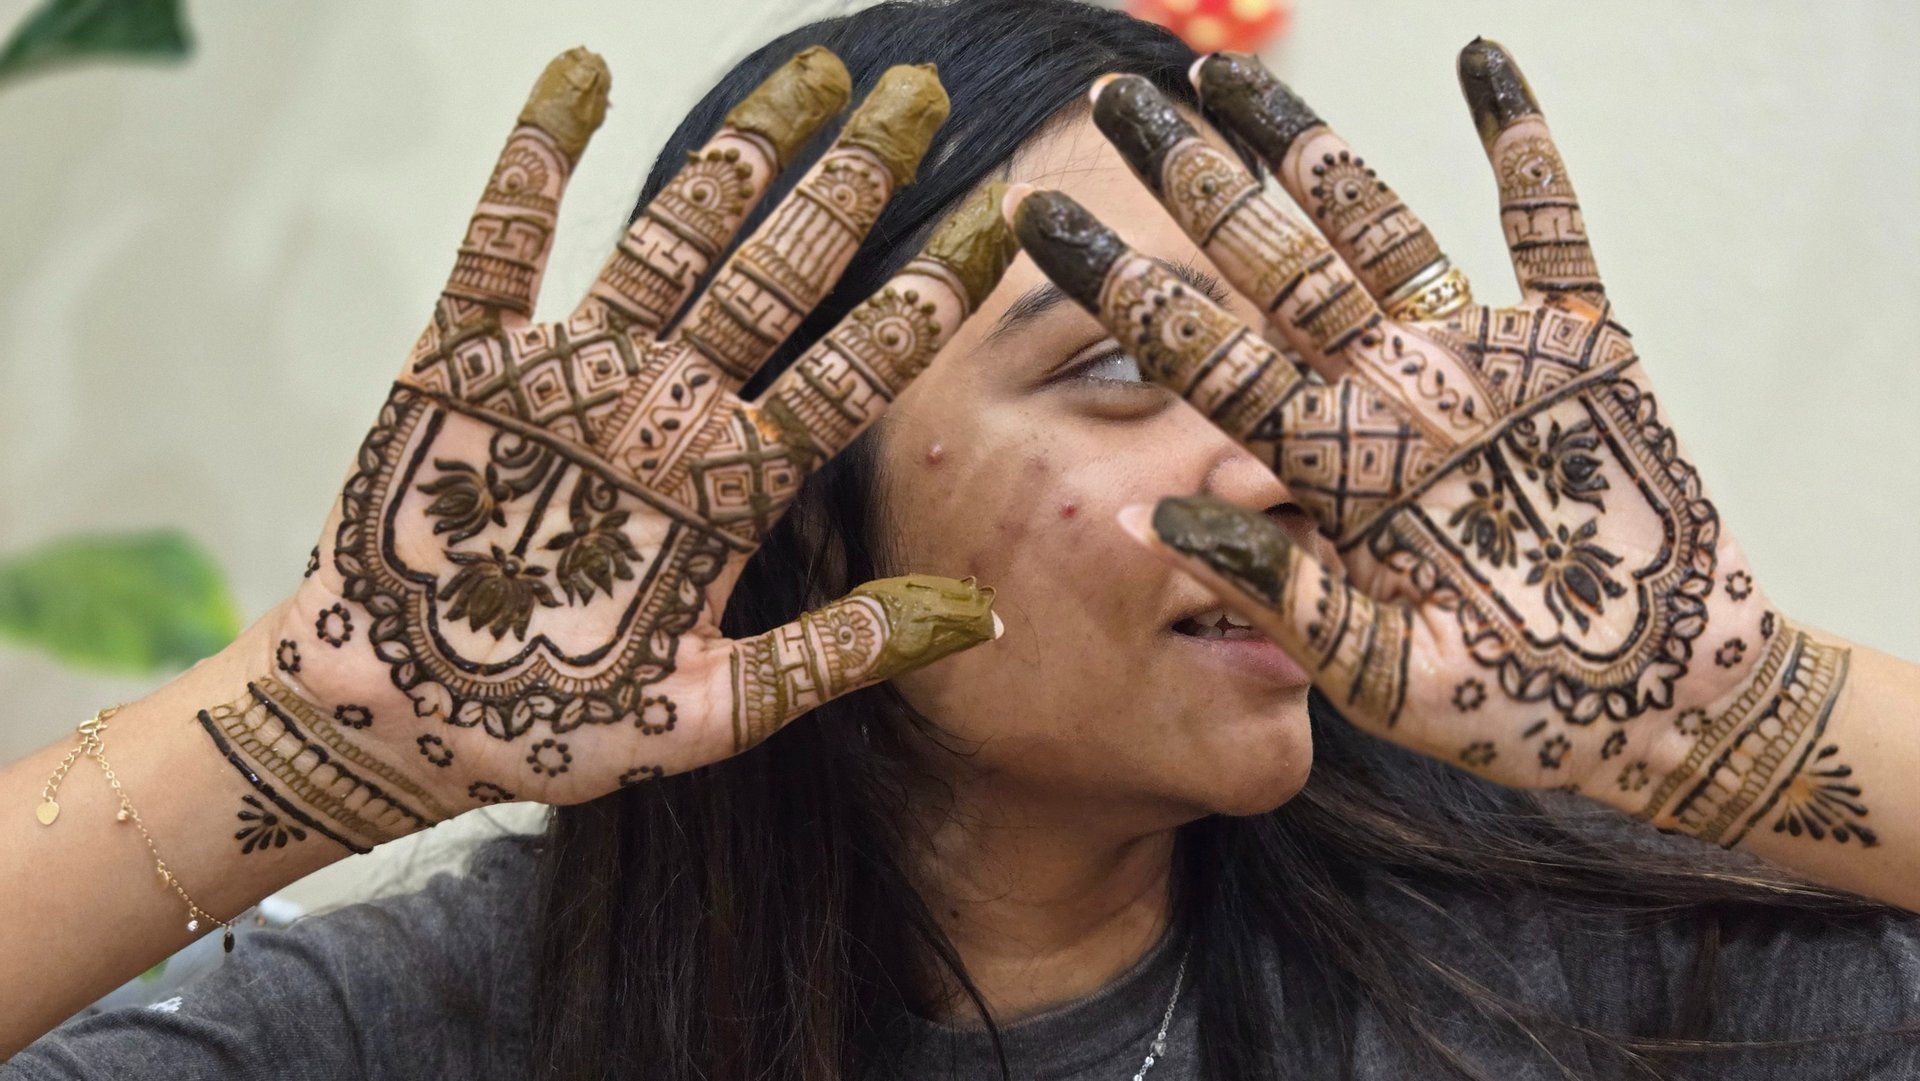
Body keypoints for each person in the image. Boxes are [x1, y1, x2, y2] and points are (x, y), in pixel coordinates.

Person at [5, 1, 1920, 1078]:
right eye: (1111, 367)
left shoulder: (1578, 985)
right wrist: (296, 736)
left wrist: (1741, 723)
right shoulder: (449, 1024)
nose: (1284, 465)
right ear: (787, 495)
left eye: (1299, 374)